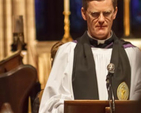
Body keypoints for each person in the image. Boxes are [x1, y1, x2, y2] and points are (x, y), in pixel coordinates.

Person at [39, 0, 141, 112]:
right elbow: (49, 105)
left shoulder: (132, 54)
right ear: (84, 13)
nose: (101, 20)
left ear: (115, 13)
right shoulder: (67, 53)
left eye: (106, 13)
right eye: (95, 14)